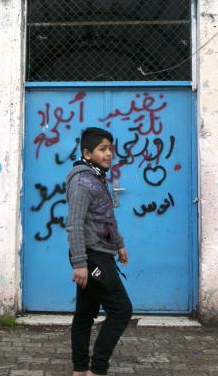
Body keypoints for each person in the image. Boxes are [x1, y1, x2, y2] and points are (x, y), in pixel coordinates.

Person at [66, 127, 132, 376]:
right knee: (122, 310)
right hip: (92, 257)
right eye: (102, 149)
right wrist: (80, 263)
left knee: (84, 315)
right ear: (87, 152)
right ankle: (98, 369)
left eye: (110, 149)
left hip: (101, 253)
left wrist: (119, 244)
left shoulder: (97, 178)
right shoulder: (82, 181)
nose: (109, 154)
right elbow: (75, 223)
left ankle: (81, 370)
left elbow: (105, 217)